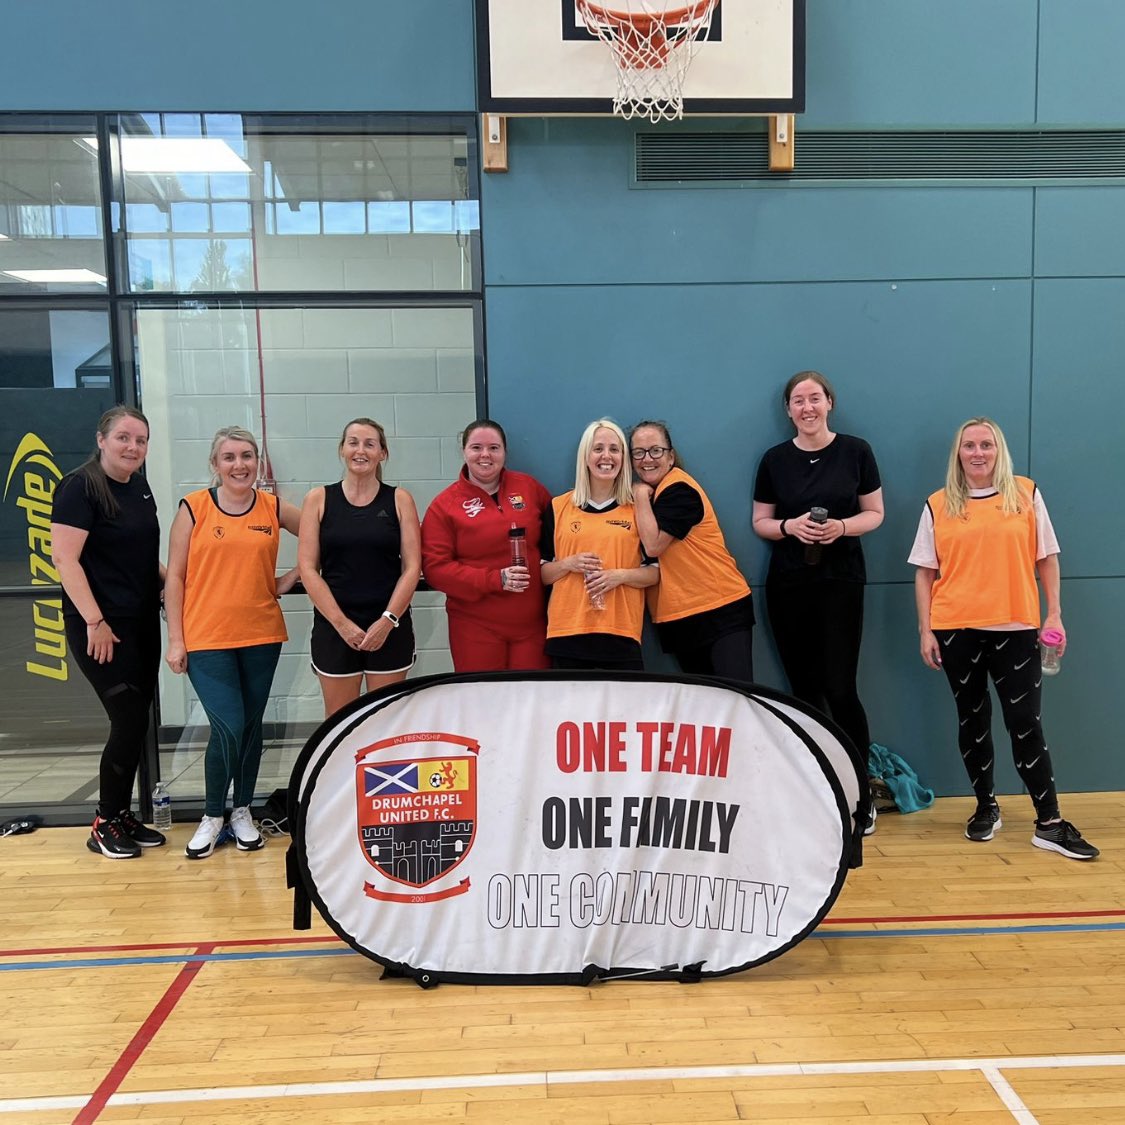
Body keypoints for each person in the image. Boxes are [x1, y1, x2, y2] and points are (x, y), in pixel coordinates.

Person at [909, 417, 1097, 860]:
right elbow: (925, 573)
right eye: (969, 445)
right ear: (958, 453)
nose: (978, 453)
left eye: (986, 445)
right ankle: (985, 807)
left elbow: (1047, 558)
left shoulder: (1026, 494)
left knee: (1025, 723)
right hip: (956, 629)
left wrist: (1055, 614)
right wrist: (925, 630)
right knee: (972, 722)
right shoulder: (939, 504)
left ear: (999, 450)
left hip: (1015, 628)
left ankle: (1049, 823)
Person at [752, 371, 884, 832]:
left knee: (841, 688)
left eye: (815, 398)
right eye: (797, 400)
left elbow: (875, 513)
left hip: (841, 582)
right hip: (788, 585)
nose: (807, 407)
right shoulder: (774, 459)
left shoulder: (856, 451)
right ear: (788, 410)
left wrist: (840, 527)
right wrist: (792, 527)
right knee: (804, 691)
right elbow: (761, 522)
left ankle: (860, 795)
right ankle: (819, 790)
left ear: (829, 402)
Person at [164, 426, 301, 860]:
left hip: (261, 633)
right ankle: (211, 815)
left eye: (246, 456)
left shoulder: (273, 506)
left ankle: (241, 811)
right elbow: (176, 577)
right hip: (206, 637)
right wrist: (175, 640)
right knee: (229, 724)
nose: (239, 464)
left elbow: (324, 532)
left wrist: (293, 576)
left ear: (257, 461)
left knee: (252, 726)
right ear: (215, 464)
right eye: (229, 457)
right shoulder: (194, 508)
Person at [51, 406, 165, 859]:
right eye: (123, 438)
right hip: (99, 627)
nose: (132, 447)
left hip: (140, 623)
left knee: (137, 722)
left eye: (140, 440)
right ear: (102, 440)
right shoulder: (80, 487)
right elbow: (66, 560)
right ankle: (102, 821)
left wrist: (175, 582)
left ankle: (120, 815)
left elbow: (138, 553)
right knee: (127, 720)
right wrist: (95, 622)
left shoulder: (137, 484)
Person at [298, 418, 421, 717]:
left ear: (383, 453)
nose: (360, 450)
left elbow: (412, 567)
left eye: (370, 443)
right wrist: (341, 624)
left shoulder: (400, 499)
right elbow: (307, 568)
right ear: (342, 449)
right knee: (340, 722)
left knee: (385, 720)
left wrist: (388, 620)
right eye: (353, 442)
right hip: (334, 626)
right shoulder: (318, 499)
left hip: (389, 624)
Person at [421, 419, 552, 672]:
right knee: (483, 704)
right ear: (464, 452)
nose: (485, 455)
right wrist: (495, 579)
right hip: (475, 627)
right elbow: (436, 570)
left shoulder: (529, 487)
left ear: (504, 452)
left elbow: (559, 533)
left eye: (494, 448)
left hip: (532, 627)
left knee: (531, 704)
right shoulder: (444, 505)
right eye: (476, 447)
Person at [630, 420, 755, 682]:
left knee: (737, 702)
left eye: (655, 450)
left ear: (671, 456)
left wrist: (640, 494)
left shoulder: (679, 489)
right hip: (678, 618)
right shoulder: (657, 494)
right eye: (638, 452)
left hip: (720, 609)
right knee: (707, 711)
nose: (647, 459)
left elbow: (653, 545)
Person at [541, 418, 658, 670]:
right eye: (598, 448)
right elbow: (543, 575)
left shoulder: (637, 508)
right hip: (567, 633)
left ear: (624, 458)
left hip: (621, 633)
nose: (607, 456)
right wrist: (569, 564)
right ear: (585, 456)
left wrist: (620, 576)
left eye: (614, 449)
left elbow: (655, 573)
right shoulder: (558, 507)